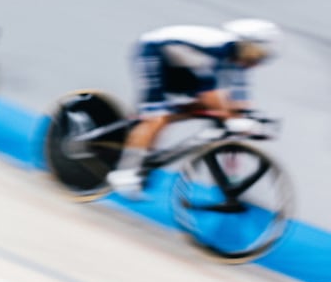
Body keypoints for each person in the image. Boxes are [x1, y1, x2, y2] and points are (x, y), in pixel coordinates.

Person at [107, 18, 282, 199]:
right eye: (260, 53)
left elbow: (239, 96)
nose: (260, 60)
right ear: (247, 44)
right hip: (154, 53)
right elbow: (211, 92)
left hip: (180, 62)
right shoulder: (218, 49)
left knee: (207, 107)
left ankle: (151, 128)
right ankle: (124, 173)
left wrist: (249, 118)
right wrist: (233, 119)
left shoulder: (237, 56)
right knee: (157, 116)